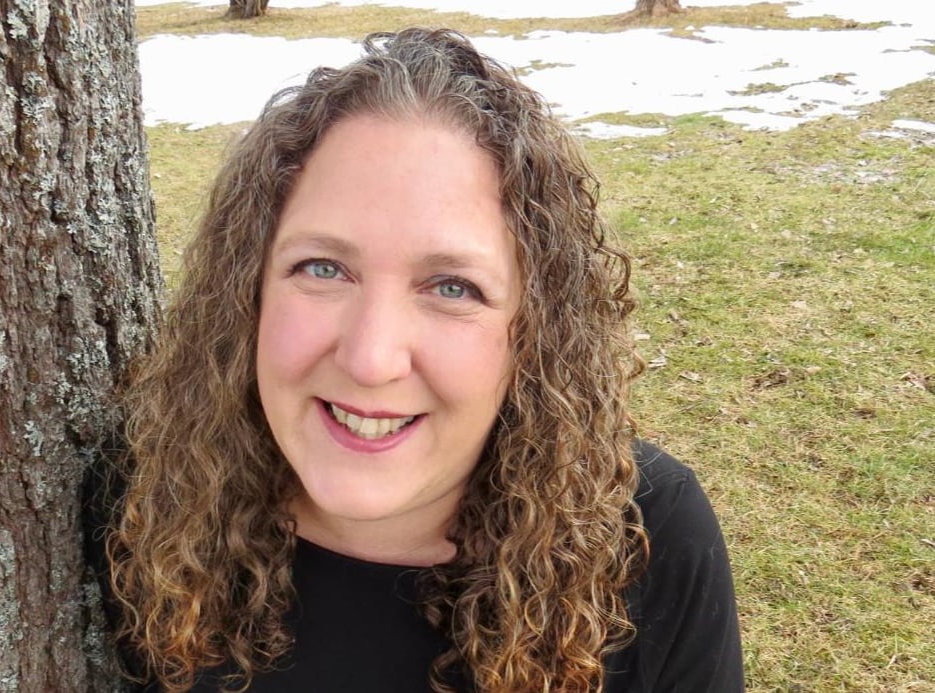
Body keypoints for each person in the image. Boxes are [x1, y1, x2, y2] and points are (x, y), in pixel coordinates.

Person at [104, 28, 743, 693]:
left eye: (452, 287)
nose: (372, 358)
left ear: (533, 331)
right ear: (247, 292)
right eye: (323, 268)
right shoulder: (147, 501)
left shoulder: (645, 537)